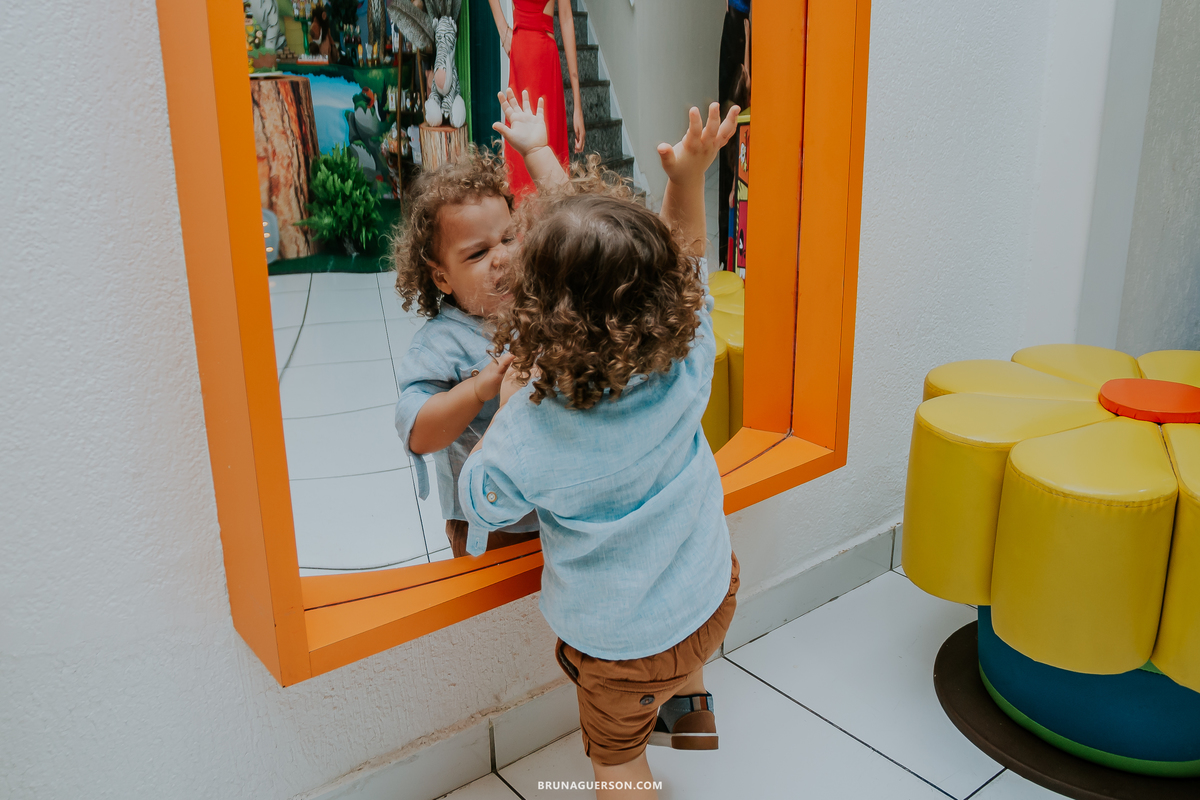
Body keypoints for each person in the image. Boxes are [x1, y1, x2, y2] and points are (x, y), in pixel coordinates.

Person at [467, 93, 742, 799]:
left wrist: (503, 400)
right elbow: (685, 261)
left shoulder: (533, 426)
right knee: (682, 647)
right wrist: (686, 179)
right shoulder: (687, 359)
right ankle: (694, 709)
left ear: (534, 310)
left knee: (617, 762)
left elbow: (487, 501)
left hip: (624, 654)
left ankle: (648, 742)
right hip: (712, 597)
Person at [390, 144, 539, 558]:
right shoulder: (440, 344)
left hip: (550, 502)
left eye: (508, 237)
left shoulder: (537, 306)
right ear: (442, 278)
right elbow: (417, 431)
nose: (503, 257)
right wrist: (476, 392)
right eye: (478, 252)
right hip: (489, 525)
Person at [487, 0, 586, 196]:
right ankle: (523, 222)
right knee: (519, 146)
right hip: (521, 56)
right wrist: (502, 29)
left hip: (544, 59)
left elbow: (566, 20)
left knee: (549, 148)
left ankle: (552, 221)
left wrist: (577, 106)